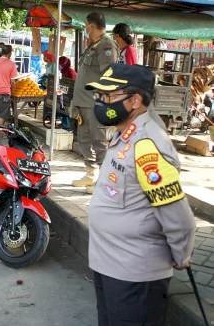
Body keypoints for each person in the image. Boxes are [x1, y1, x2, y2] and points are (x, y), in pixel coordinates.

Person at [84, 64, 196, 326]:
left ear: (135, 101)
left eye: (108, 97)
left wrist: (181, 255)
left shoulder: (148, 145)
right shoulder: (123, 134)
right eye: (98, 96)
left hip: (134, 274)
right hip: (108, 264)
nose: (100, 102)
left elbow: (179, 218)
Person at [71, 12, 119, 190]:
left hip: (95, 103)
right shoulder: (92, 46)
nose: (85, 30)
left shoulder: (107, 46)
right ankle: (90, 174)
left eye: (86, 26)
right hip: (83, 102)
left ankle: (105, 181)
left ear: (91, 26)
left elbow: (110, 75)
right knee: (84, 139)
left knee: (99, 142)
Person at [0, 45, 18, 126]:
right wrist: (13, 88)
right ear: (9, 53)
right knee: (2, 113)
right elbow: (12, 82)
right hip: (5, 92)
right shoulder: (12, 64)